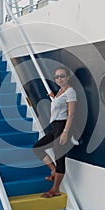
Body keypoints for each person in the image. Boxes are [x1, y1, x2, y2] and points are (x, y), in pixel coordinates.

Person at [33, 67, 77, 198]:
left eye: (62, 76)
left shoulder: (70, 92)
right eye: (57, 77)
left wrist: (65, 132)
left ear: (68, 77)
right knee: (37, 148)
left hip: (62, 126)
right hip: (55, 127)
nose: (59, 79)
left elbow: (71, 113)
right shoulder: (60, 91)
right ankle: (53, 170)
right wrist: (54, 97)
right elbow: (60, 106)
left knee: (60, 158)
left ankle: (55, 189)